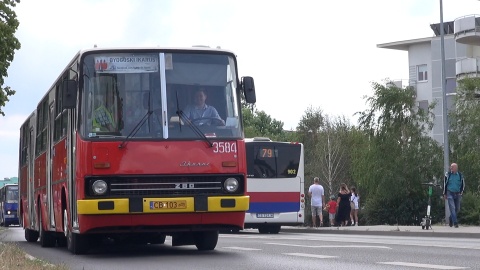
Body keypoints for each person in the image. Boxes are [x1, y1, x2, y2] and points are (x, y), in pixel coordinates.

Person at [443, 163, 465, 228]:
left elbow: (463, 184)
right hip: (449, 193)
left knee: (457, 208)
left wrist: (461, 192)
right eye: (451, 167)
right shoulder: (448, 175)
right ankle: (455, 223)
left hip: (457, 193)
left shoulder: (460, 175)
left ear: (456, 168)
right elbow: (444, 184)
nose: (451, 168)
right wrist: (444, 193)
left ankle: (451, 218)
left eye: (452, 167)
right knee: (452, 208)